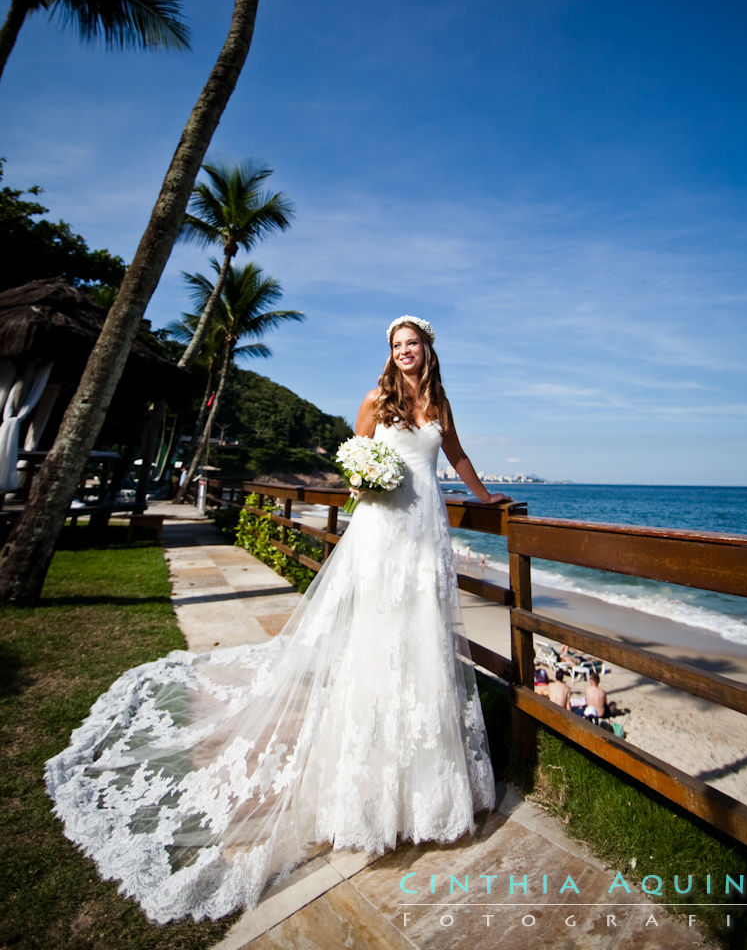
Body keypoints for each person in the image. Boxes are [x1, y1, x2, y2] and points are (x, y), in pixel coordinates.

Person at [44, 315, 510, 923]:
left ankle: (424, 795)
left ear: (428, 350)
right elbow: (356, 466)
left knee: (420, 646)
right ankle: (367, 791)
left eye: (412, 345)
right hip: (383, 531)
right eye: (396, 346)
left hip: (425, 537)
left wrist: (482, 498)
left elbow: (456, 453)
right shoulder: (377, 398)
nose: (404, 354)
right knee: (377, 645)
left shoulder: (439, 401)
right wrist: (369, 480)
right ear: (390, 353)